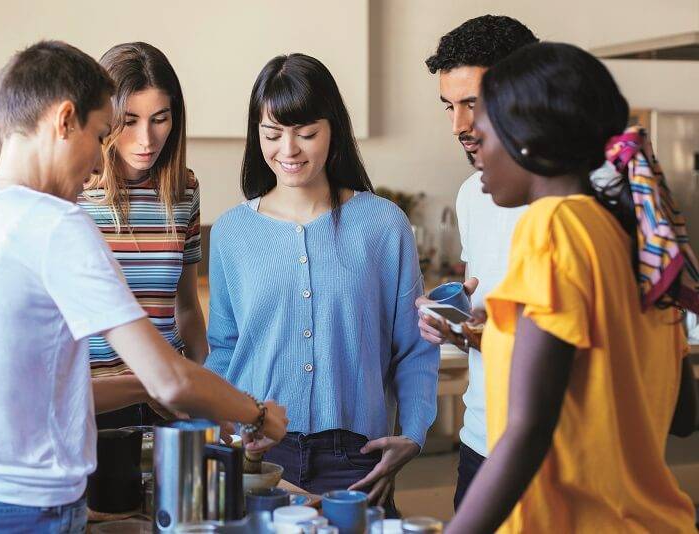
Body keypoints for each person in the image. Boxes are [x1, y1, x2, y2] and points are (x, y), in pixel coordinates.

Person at [0, 41, 287, 533]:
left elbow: (34, 393)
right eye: (101, 132)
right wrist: (255, 413)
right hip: (17, 514)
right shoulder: (58, 225)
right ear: (65, 120)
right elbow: (169, 378)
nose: (96, 162)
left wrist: (145, 390)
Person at [447, 42, 697, 533]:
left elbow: (529, 427)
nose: (473, 141)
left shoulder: (554, 225)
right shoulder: (633, 238)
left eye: (485, 127)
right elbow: (682, 414)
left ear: (528, 142)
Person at [204, 53, 439, 516]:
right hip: (258, 455)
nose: (288, 150)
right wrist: (227, 437)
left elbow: (412, 347)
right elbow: (226, 349)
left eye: (306, 133)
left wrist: (412, 434)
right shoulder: (232, 232)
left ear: (333, 131)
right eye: (272, 135)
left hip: (356, 458)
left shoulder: (382, 224)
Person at [418, 15, 537, 509]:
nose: (459, 126)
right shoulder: (473, 194)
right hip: (482, 440)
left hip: (557, 446)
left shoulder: (586, 198)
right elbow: (483, 301)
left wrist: (475, 334)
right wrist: (454, 318)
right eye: (449, 106)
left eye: (473, 104)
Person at [78, 42, 207, 426]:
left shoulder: (185, 190)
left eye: (160, 118)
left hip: (166, 404)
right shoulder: (73, 192)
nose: (146, 139)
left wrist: (211, 386)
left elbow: (186, 308)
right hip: (91, 402)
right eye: (129, 120)